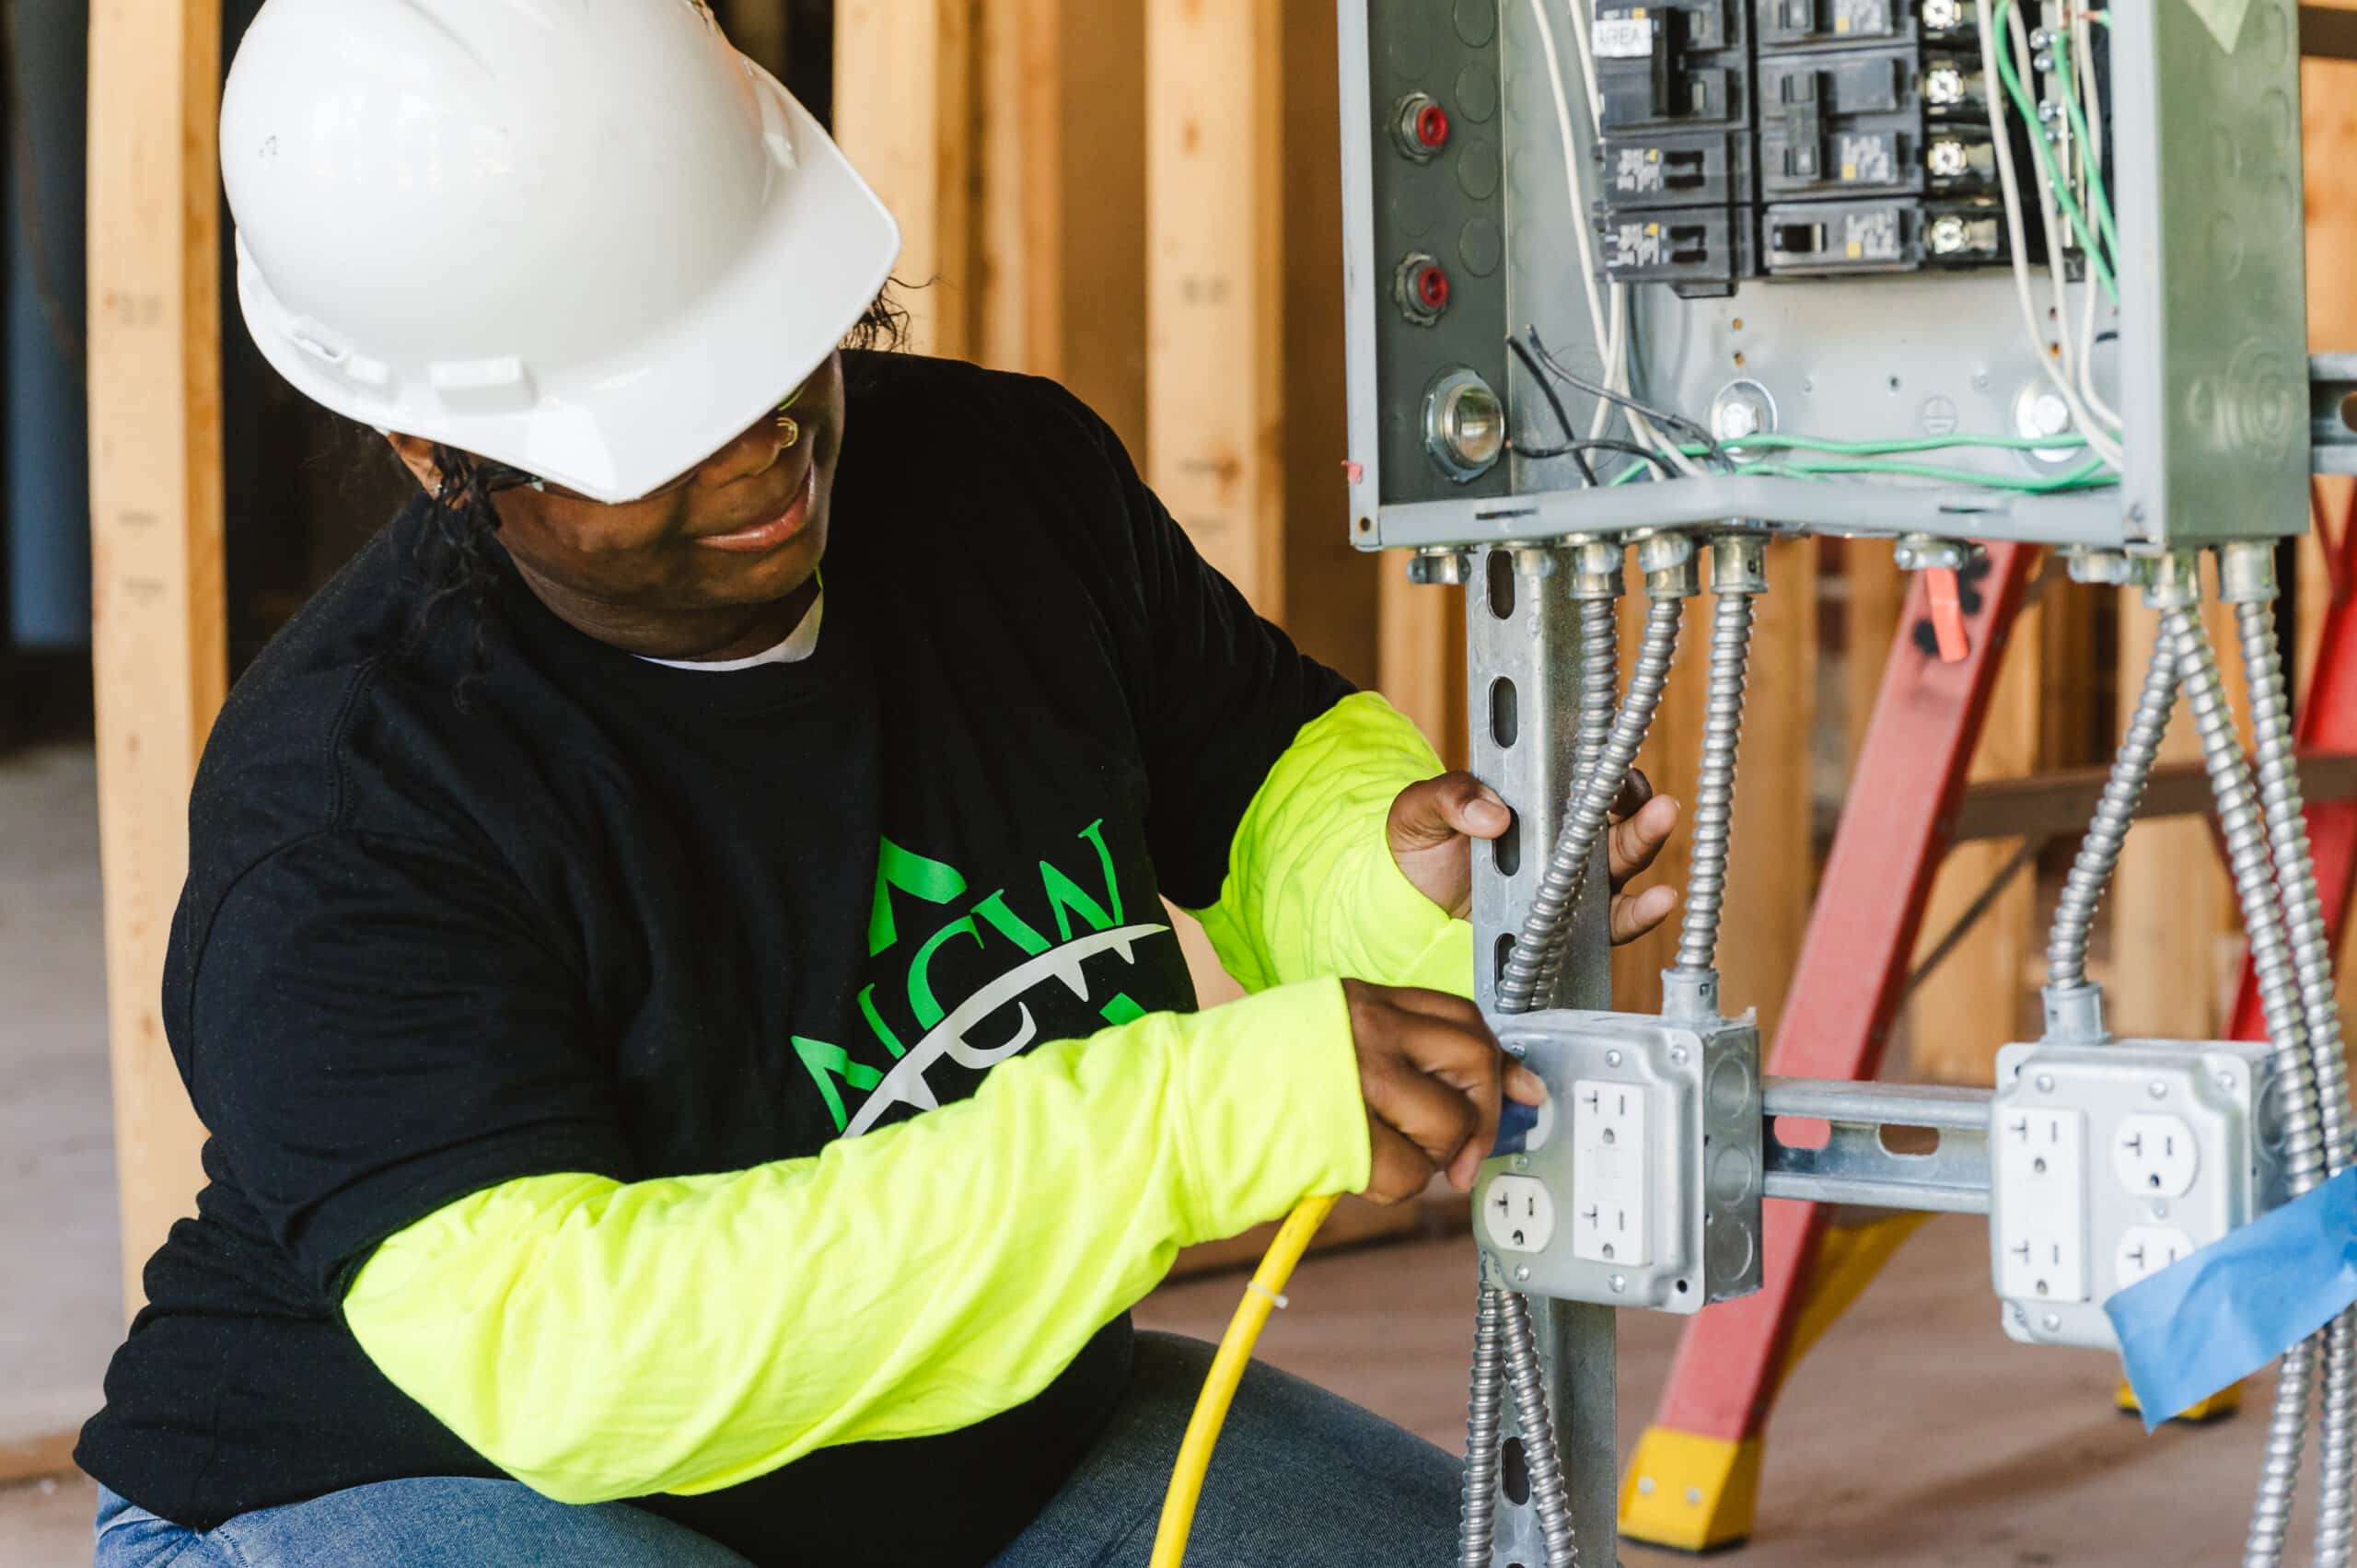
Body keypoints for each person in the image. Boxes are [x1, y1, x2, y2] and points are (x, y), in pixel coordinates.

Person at [77, 4, 1680, 1565]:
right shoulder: (356, 803)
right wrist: (1183, 1122)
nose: (758, 455)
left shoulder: (1002, 486)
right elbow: (567, 1357)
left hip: (967, 1454)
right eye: (653, 433)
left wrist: (1412, 891)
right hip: (411, 1483)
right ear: (435, 454)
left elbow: (1270, 790)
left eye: (777, 356)